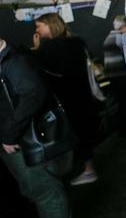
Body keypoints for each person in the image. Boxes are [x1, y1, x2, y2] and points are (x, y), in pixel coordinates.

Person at [0, 37, 70, 218]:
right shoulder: (9, 59)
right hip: (18, 139)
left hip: (24, 140)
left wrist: (9, 134)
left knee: (45, 192)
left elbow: (33, 95)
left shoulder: (14, 60)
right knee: (39, 190)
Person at [32, 13, 99, 186]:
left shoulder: (52, 47)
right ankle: (88, 168)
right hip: (82, 94)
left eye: (39, 26)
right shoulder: (76, 42)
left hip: (68, 98)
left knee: (77, 134)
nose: (37, 30)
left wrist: (37, 49)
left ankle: (89, 171)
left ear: (50, 25)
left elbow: (42, 69)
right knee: (84, 132)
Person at [103, 15, 126, 137]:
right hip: (121, 75)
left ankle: (123, 130)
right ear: (124, 26)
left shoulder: (109, 36)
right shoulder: (120, 37)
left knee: (121, 103)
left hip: (112, 76)